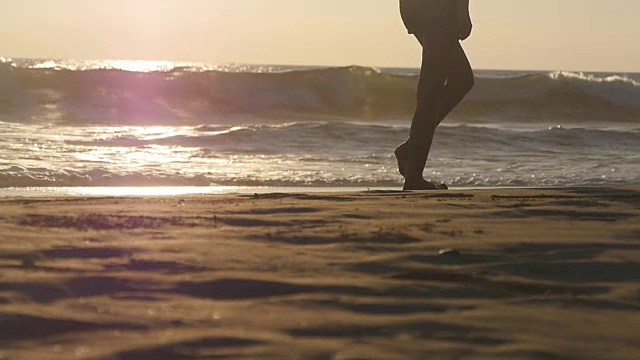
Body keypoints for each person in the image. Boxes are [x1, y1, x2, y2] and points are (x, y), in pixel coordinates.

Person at [396, 0, 475, 190]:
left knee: (461, 79)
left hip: (422, 11)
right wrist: (462, 10)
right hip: (436, 13)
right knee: (431, 92)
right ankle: (413, 175)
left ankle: (410, 152)